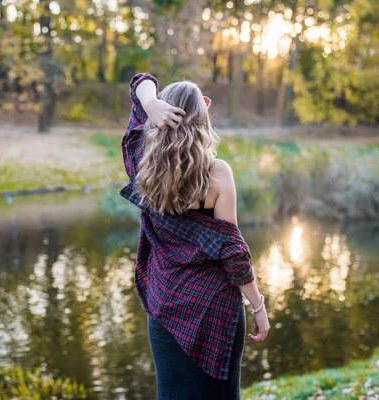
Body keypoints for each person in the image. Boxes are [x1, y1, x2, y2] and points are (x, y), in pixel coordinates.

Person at [118, 73, 270, 400]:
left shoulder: (142, 164)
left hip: (165, 305)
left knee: (172, 393)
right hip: (215, 308)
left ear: (159, 115)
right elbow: (232, 251)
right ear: (202, 115)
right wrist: (257, 305)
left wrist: (150, 102)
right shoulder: (217, 174)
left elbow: (140, 81)